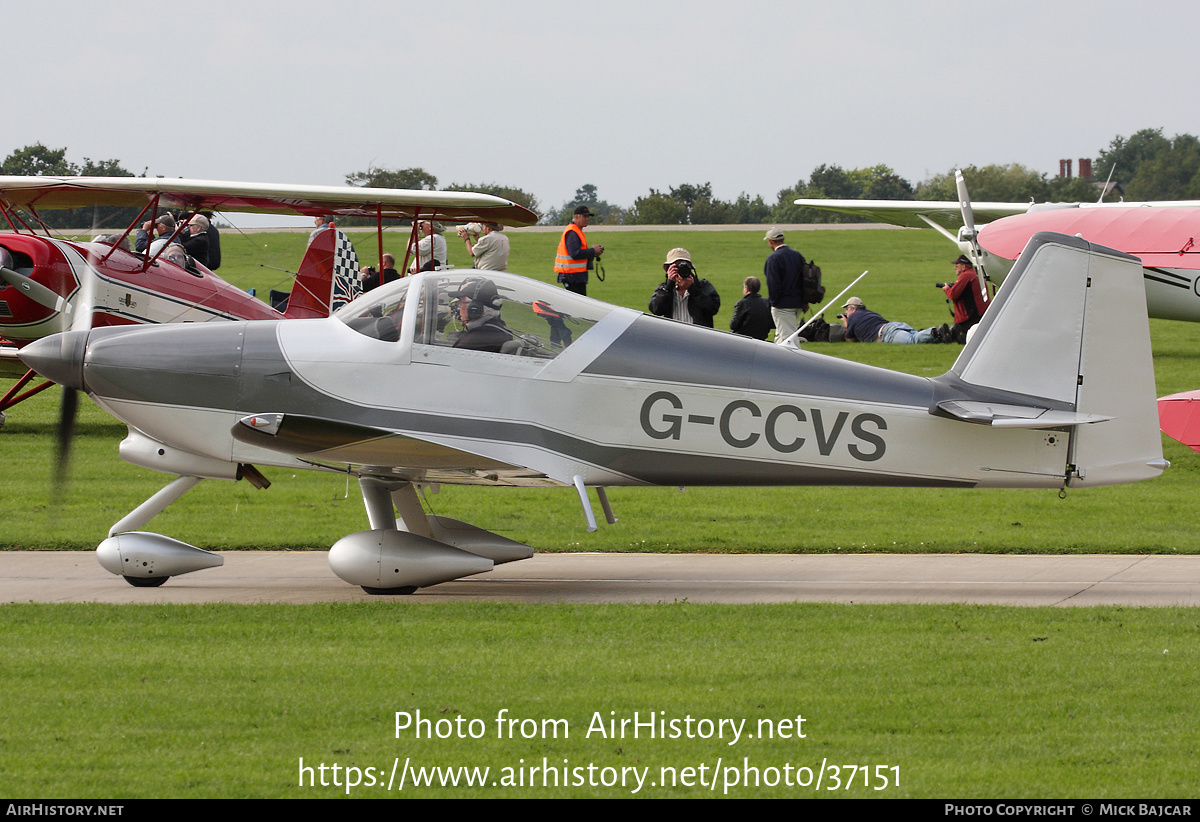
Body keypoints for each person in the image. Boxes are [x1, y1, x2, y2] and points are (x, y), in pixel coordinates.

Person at [648, 248, 720, 327]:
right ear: (668, 269)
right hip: (672, 335)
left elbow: (713, 308)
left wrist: (693, 289)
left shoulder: (702, 286)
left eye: (683, 265)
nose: (679, 269)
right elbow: (655, 310)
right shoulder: (664, 288)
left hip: (698, 336)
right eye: (676, 266)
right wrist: (668, 286)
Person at [763, 226, 807, 344]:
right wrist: (804, 302)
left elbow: (773, 284)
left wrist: (775, 303)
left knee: (788, 340)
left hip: (782, 305)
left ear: (770, 241)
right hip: (798, 303)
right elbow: (805, 280)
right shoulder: (797, 256)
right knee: (781, 335)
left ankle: (795, 361)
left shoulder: (773, 258)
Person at [840, 296, 948, 344]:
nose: (846, 313)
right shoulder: (869, 313)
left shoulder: (853, 317)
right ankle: (945, 335)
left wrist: (846, 323)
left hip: (887, 333)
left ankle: (935, 331)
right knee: (920, 337)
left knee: (913, 341)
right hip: (895, 326)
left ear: (853, 308)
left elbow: (850, 339)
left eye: (847, 310)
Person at [449, 277, 513, 352]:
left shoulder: (473, 342)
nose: (458, 308)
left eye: (461, 303)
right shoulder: (499, 329)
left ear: (474, 309)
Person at [938, 255, 989, 343]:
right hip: (979, 315)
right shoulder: (974, 274)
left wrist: (947, 289)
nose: (955, 268)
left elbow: (953, 294)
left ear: (964, 266)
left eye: (957, 265)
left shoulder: (966, 275)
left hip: (970, 317)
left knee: (947, 335)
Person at [554, 206, 603, 296]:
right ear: (576, 216)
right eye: (585, 216)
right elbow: (575, 254)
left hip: (576, 276)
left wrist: (593, 253)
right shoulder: (572, 232)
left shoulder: (577, 231)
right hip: (571, 276)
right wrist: (592, 251)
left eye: (588, 217)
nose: (587, 219)